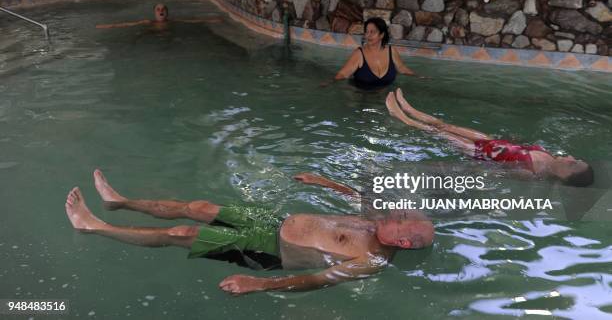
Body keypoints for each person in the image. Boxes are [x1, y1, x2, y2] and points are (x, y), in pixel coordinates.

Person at [65, 170, 434, 295]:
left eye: (403, 218)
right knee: (199, 208)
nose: (398, 211)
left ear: (401, 242)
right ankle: (121, 202)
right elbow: (359, 196)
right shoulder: (373, 221)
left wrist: (260, 285)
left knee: (183, 232)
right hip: (272, 221)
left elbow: (317, 280)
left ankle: (93, 225)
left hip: (272, 251)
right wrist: (323, 181)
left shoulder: (371, 259)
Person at [385, 88, 594, 187]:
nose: (570, 157)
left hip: (478, 152)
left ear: (565, 176)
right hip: (489, 141)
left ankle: (404, 118)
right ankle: (408, 107)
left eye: (573, 163)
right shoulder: (548, 155)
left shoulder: (533, 174)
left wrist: (474, 166)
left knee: (439, 133)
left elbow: (499, 170)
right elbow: (519, 147)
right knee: (445, 125)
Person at [329, 17, 417, 89]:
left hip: (384, 98)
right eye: (367, 32)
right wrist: (329, 83)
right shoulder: (359, 54)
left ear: (382, 35)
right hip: (360, 97)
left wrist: (419, 77)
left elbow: (402, 68)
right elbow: (343, 74)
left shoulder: (391, 51)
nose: (368, 35)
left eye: (373, 32)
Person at [95, 3, 222, 29]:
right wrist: (107, 26)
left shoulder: (173, 21)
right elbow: (127, 24)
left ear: (167, 12)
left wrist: (211, 19)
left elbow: (192, 21)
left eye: (163, 9)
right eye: (158, 9)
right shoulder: (148, 22)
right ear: (154, 13)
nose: (161, 11)